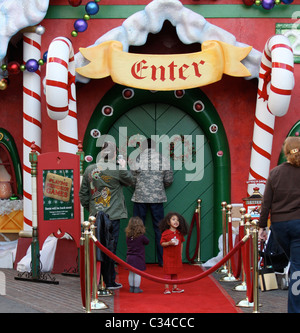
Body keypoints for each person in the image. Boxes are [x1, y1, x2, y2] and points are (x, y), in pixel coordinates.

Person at [79, 141, 135, 289]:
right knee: (110, 248)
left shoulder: (90, 169)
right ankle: (109, 281)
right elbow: (130, 180)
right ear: (115, 154)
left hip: (95, 215)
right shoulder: (117, 170)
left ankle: (95, 280)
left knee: (95, 247)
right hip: (113, 214)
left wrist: (90, 207)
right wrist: (123, 165)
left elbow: (83, 194)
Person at [258, 136, 300, 313]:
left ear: (285, 151)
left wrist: (262, 227)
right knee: (297, 267)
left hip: (279, 226)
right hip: (298, 223)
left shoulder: (275, 172)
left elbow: (266, 202)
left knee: (296, 264)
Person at [131, 138, 173, 266]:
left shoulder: (137, 158)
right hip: (157, 197)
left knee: (137, 228)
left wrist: (139, 187)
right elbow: (169, 179)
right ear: (154, 147)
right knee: (160, 229)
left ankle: (137, 261)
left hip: (140, 197)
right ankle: (162, 260)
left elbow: (131, 179)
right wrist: (159, 186)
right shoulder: (163, 159)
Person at [159, 212, 189, 294]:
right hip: (168, 256)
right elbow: (162, 243)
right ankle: (166, 288)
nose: (176, 221)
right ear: (168, 222)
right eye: (173, 219)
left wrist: (180, 254)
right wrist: (169, 243)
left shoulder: (179, 233)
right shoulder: (165, 233)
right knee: (168, 272)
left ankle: (175, 288)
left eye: (178, 220)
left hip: (176, 256)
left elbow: (181, 243)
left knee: (175, 272)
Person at [125, 216, 149, 293]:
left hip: (129, 257)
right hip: (138, 257)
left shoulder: (128, 236)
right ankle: (136, 288)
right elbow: (147, 242)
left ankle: (131, 287)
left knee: (131, 273)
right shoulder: (141, 237)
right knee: (138, 273)